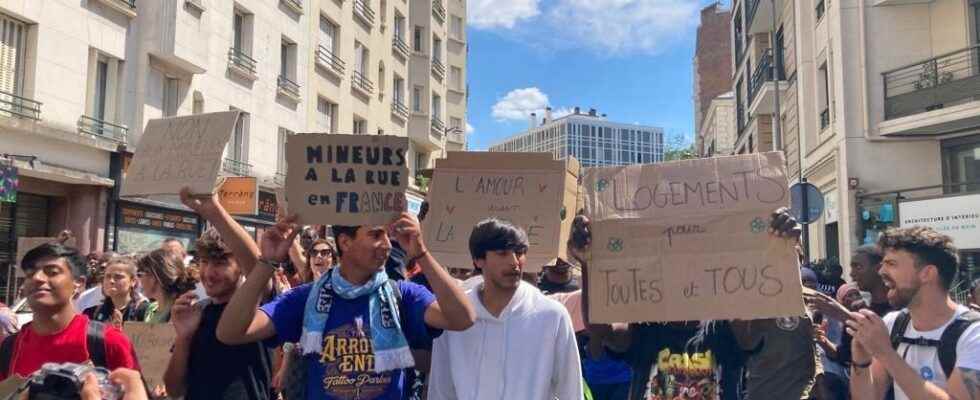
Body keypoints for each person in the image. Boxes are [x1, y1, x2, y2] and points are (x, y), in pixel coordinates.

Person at [216, 210, 476, 400]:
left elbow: (462, 318)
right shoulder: (307, 299)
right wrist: (267, 262)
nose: (387, 245)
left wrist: (422, 253)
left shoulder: (403, 295)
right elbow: (231, 332)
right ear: (345, 242)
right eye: (375, 235)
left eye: (387, 236)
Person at [426, 218, 583, 399]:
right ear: (478, 259)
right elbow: (441, 389)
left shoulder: (551, 316)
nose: (514, 262)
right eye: (502, 253)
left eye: (520, 252)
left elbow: (571, 390)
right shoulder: (453, 317)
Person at [162, 189, 277, 400]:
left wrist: (215, 212)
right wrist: (184, 338)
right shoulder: (196, 313)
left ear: (240, 266)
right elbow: (174, 389)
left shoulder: (258, 308)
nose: (209, 273)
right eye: (205, 262)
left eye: (220, 263)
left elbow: (258, 269)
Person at [848, 226, 980, 400]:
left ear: (927, 274)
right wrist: (861, 361)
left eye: (891, 264)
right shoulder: (893, 324)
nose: (881, 272)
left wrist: (885, 353)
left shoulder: (973, 334)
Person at [0, 243, 139, 380]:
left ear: (78, 283)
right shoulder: (9, 347)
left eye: (52, 272)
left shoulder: (109, 342)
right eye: (30, 273)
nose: (37, 278)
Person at [83, 256, 150, 325]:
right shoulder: (91, 313)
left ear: (133, 281)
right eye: (108, 276)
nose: (111, 281)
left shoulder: (144, 311)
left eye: (118, 277)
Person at [137, 248, 198, 323]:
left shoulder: (181, 309)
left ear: (153, 277)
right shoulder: (151, 308)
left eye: (140, 275)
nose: (139, 280)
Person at [849, 245, 895, 317]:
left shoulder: (900, 312)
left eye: (858, 267)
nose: (851, 274)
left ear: (879, 268)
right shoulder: (860, 311)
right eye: (852, 267)